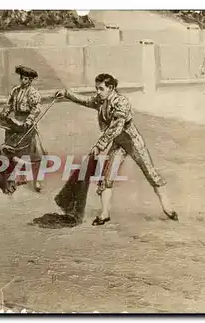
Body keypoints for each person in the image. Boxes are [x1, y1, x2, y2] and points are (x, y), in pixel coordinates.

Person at [55, 73, 179, 226]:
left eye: (101, 89)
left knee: (150, 172)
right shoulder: (101, 100)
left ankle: (167, 207)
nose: (98, 92)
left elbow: (116, 127)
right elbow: (86, 101)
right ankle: (105, 213)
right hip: (118, 143)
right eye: (97, 89)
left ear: (111, 88)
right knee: (107, 176)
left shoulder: (122, 102)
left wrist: (99, 146)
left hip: (132, 141)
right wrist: (67, 94)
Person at [0, 65, 47, 193]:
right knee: (13, 150)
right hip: (15, 122)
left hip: (27, 124)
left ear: (30, 80)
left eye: (26, 79)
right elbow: (8, 105)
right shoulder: (15, 91)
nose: (23, 81)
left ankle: (37, 181)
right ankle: (21, 177)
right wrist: (4, 113)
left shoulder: (33, 93)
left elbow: (36, 108)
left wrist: (29, 120)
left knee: (35, 153)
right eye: (22, 78)